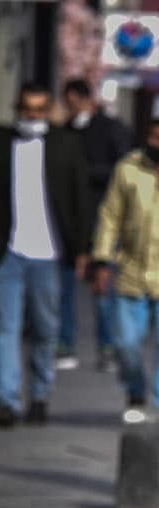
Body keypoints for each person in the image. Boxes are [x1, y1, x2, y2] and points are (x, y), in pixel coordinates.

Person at [0, 83, 93, 428]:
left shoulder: (66, 146)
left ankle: (40, 394)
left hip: (48, 253)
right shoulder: (1, 142)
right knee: (6, 327)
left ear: (48, 111)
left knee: (45, 330)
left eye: (39, 110)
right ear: (17, 108)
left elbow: (81, 198)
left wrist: (82, 249)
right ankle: (7, 399)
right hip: (6, 252)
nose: (32, 116)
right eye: (26, 109)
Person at [59, 79, 133, 372]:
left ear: (82, 99)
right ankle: (65, 344)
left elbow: (122, 167)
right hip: (71, 221)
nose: (69, 106)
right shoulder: (65, 132)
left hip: (102, 218)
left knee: (102, 285)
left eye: (71, 100)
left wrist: (86, 173)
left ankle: (106, 346)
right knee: (64, 287)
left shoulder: (109, 128)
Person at [92, 119, 159, 410]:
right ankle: (134, 388)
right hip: (132, 273)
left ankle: (155, 412)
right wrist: (102, 259)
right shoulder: (128, 168)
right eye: (156, 137)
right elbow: (110, 216)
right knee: (125, 345)